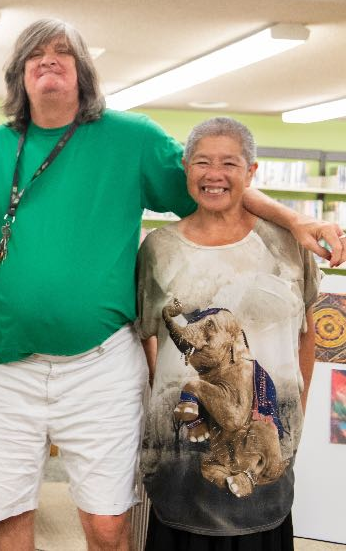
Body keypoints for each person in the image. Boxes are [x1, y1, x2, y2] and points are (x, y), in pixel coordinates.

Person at [0, 18, 345, 551]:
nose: (48, 61)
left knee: (110, 523)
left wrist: (295, 221)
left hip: (100, 366)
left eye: (62, 53)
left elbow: (214, 184)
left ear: (83, 72)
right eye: (34, 55)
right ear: (18, 76)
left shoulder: (129, 138)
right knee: (8, 511)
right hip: (7, 364)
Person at [137, 117, 320, 550]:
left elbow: (306, 333)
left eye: (229, 163)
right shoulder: (158, 249)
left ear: (251, 172)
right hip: (179, 462)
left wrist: (299, 406)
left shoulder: (289, 245)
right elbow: (147, 334)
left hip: (262, 425)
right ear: (185, 169)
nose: (214, 174)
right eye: (202, 162)